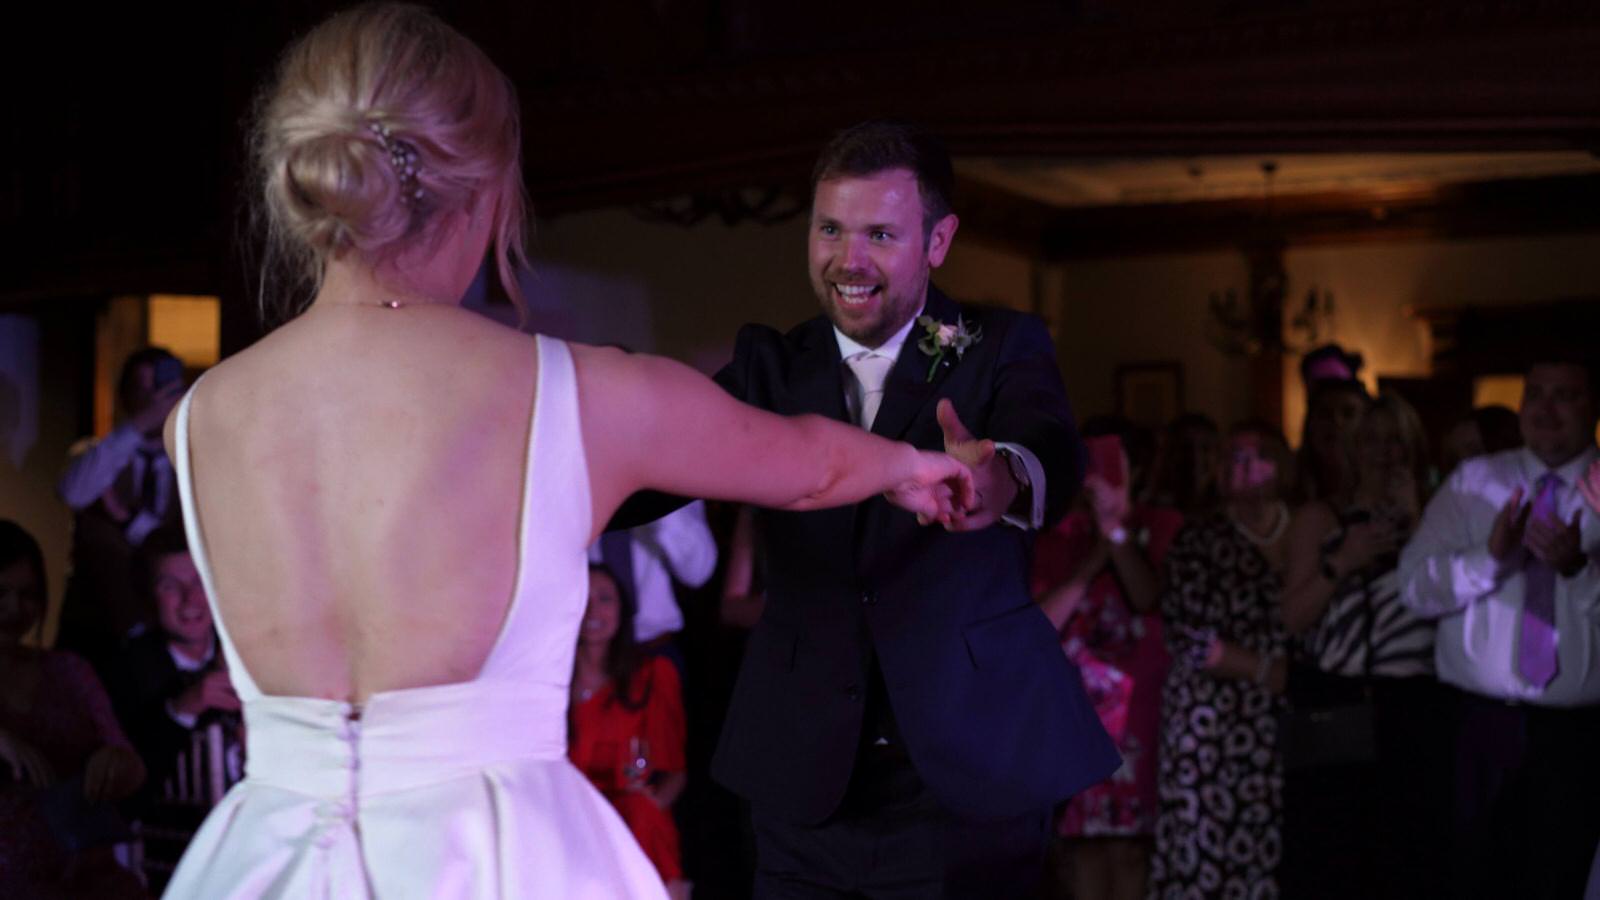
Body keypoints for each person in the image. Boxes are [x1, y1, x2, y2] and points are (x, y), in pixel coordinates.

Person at [157, 7, 974, 898]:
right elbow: (811, 465)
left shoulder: (198, 417)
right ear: (487, 189)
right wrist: (913, 468)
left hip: (263, 859)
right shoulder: (584, 396)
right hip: (498, 860)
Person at [613, 120, 1117, 898]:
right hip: (805, 780)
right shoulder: (770, 367)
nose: (848, 261)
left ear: (938, 241)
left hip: (963, 776)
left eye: (880, 233)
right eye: (830, 230)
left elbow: (1045, 443)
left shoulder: (997, 345)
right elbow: (651, 469)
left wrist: (998, 482)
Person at [1398, 353, 1600, 900]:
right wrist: (1486, 560)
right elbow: (1413, 589)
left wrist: (1579, 571)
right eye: (1536, 393)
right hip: (1479, 729)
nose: (1548, 409)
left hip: (1578, 739)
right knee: (1472, 879)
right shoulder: (1474, 480)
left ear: (1594, 406)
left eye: (1567, 394)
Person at [1278, 392, 1444, 898]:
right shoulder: (1321, 517)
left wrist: (1418, 523)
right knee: (1332, 857)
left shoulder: (1437, 515)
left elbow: (1450, 609)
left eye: (1396, 441)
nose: (1384, 453)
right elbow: (1290, 619)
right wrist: (1343, 561)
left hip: (1412, 705)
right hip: (1337, 701)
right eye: (1372, 440)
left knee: (1405, 855)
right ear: (1353, 449)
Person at [1030, 416, 1181, 900]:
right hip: (1077, 720)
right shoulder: (1054, 536)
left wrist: (1116, 532)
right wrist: (1094, 554)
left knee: (1133, 851)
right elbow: (1039, 626)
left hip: (1143, 719)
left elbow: (1146, 595)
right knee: (1081, 852)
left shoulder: (1162, 527)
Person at [1149, 422, 1292, 900]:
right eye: (1231, 456)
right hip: (1209, 724)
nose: (1241, 467)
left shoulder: (1306, 528)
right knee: (1207, 857)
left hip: (1281, 722)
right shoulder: (1199, 538)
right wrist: (1265, 670)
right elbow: (1186, 632)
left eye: (1255, 455)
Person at [0, 519, 147, 897]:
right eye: (0, 592)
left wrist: (114, 763)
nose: (14, 609)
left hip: (87, 880)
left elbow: (132, 767)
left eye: (29, 594)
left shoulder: (67, 670)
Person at [103, 527, 243, 892]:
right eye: (169, 585)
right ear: (149, 599)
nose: (190, 598)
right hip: (169, 865)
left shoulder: (250, 653)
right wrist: (182, 709)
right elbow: (124, 798)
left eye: (200, 580)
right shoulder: (125, 671)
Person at [55, 347, 186, 670]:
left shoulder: (189, 462)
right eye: (143, 389)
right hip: (93, 630)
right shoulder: (99, 454)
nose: (155, 398)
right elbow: (73, 492)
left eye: (163, 388)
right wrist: (141, 422)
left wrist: (130, 521)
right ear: (125, 396)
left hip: (164, 636)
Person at [570, 564, 689, 898]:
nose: (593, 610)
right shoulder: (549, 682)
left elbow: (675, 775)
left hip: (630, 817)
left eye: (605, 599)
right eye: (584, 598)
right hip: (569, 812)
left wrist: (649, 810)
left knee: (640, 812)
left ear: (623, 610)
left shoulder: (651, 675)